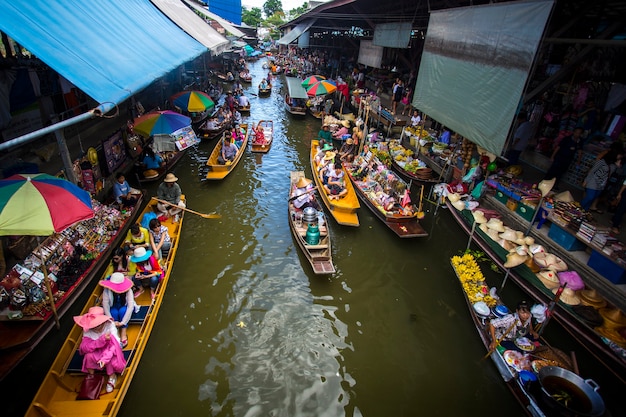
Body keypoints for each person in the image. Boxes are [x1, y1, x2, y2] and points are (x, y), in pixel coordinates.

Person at [73, 306, 126, 393]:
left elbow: (114, 346)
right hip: (97, 350)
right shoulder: (87, 330)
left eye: (97, 325)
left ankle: (112, 376)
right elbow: (84, 348)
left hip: (111, 350)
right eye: (94, 326)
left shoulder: (110, 325)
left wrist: (105, 359)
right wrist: (99, 341)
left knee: (110, 360)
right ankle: (92, 377)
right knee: (88, 356)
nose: (96, 328)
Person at [99, 272, 135, 348]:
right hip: (114, 306)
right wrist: (112, 321)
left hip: (124, 306)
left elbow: (130, 306)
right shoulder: (107, 291)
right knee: (113, 312)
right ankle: (115, 331)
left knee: (123, 311)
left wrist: (123, 322)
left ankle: (123, 333)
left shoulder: (128, 290)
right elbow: (106, 306)